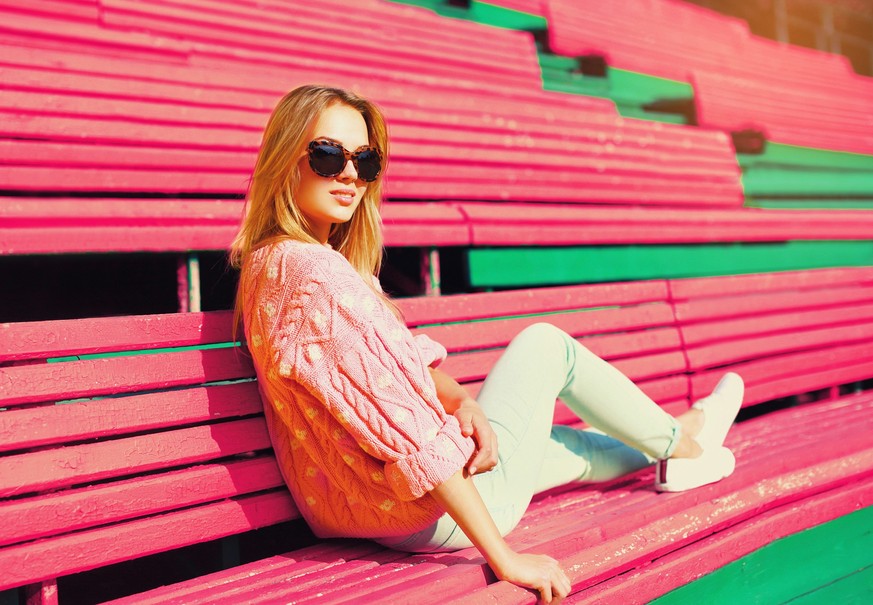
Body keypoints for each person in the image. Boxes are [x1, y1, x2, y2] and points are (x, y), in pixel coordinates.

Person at [230, 84, 744, 604]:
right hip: (422, 512)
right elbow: (419, 441)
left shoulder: (269, 264)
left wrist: (464, 401)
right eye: (326, 155)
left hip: (367, 511)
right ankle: (685, 444)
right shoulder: (316, 275)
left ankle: (680, 441)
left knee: (568, 448)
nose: (348, 174)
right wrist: (505, 558)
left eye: (364, 160)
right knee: (547, 345)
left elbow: (393, 372)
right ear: (284, 158)